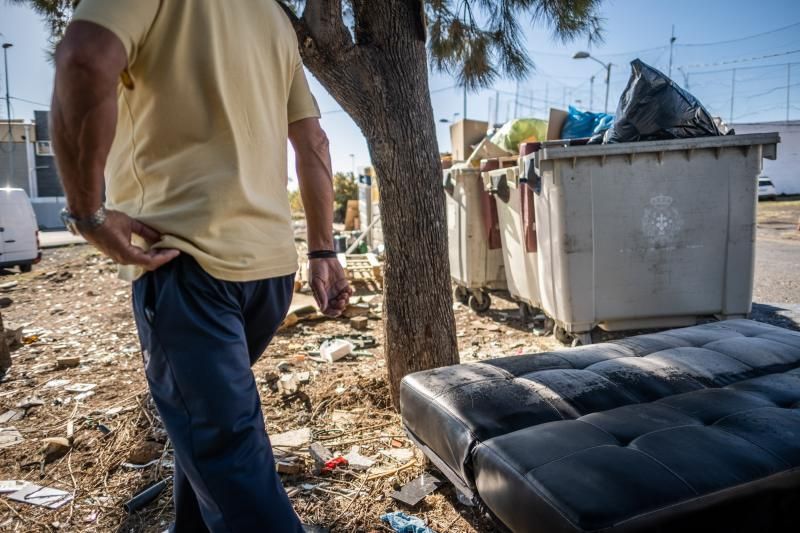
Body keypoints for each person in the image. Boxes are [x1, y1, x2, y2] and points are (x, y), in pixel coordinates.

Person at [51, 1, 351, 531]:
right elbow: (313, 141)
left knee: (231, 459)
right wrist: (323, 251)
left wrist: (86, 212)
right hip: (269, 276)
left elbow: (83, 58)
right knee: (207, 434)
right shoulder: (274, 16)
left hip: (185, 266)